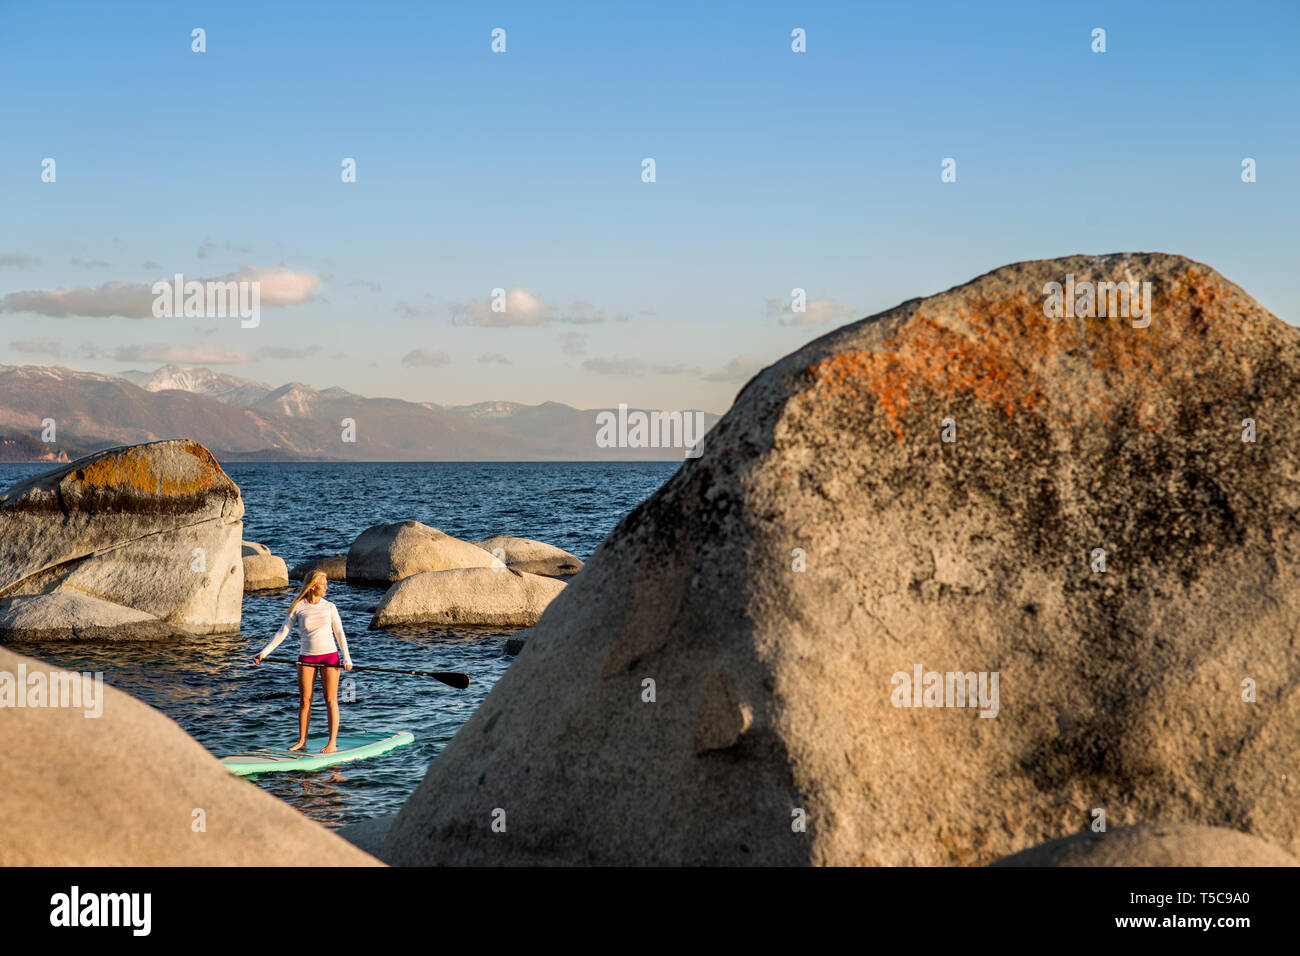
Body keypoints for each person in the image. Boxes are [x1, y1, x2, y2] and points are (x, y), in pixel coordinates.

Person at [252, 570, 353, 753]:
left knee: (331, 700)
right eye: (323, 584)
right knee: (305, 701)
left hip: (330, 657)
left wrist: (346, 658)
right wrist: (264, 653)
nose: (327, 587)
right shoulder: (299, 607)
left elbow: (340, 634)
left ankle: (331, 743)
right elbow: (283, 632)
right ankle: (302, 741)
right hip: (306, 658)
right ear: (313, 585)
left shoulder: (330, 607)